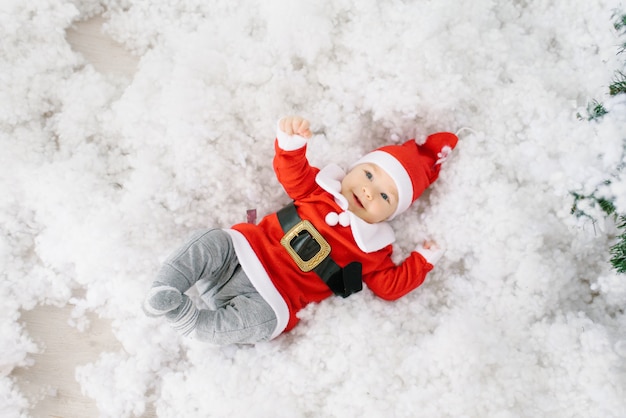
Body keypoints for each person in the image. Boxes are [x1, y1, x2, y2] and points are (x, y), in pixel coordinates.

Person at [143, 116, 458, 345]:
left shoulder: (374, 249)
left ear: (393, 214)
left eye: (386, 197)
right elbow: (292, 174)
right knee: (209, 241)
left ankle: (195, 324)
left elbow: (390, 286)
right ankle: (166, 287)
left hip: (273, 299)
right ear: (355, 168)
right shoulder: (319, 189)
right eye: (369, 175)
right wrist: (292, 146)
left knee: (261, 324)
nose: (369, 192)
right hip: (241, 253)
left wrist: (421, 261)